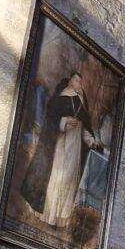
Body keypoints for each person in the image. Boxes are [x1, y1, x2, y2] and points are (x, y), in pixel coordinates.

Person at [20, 71, 100, 227]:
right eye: (76, 80)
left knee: (69, 180)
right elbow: (51, 118)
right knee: (57, 177)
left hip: (74, 147)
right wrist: (65, 121)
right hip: (60, 144)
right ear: (70, 80)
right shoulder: (60, 96)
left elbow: (85, 126)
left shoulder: (81, 99)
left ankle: (59, 217)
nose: (79, 83)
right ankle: (49, 215)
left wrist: (91, 141)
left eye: (80, 81)